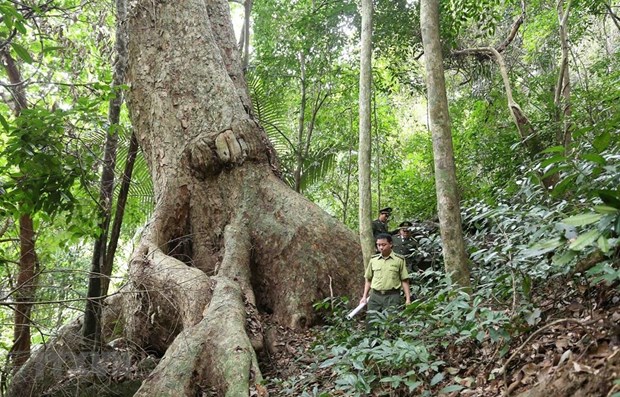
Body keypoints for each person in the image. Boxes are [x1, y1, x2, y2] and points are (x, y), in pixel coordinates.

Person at [360, 233, 411, 327]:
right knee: (372, 323)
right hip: (375, 296)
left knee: (392, 323)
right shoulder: (373, 260)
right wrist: (364, 296)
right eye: (378, 245)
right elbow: (368, 280)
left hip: (392, 296)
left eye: (383, 244)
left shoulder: (399, 260)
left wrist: (407, 299)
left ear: (390, 244)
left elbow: (404, 280)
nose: (381, 247)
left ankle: (392, 341)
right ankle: (374, 340)